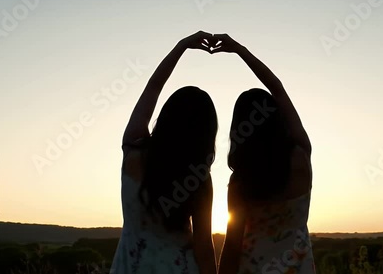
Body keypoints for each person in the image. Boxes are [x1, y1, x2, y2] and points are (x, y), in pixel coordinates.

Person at [110, 31, 218, 274]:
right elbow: (204, 248)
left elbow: (153, 88)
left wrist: (181, 47)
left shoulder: (133, 151)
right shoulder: (198, 179)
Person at [214, 34, 316, 274]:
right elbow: (277, 90)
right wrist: (240, 50)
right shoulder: (301, 157)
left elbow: (232, 247)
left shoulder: (240, 182)